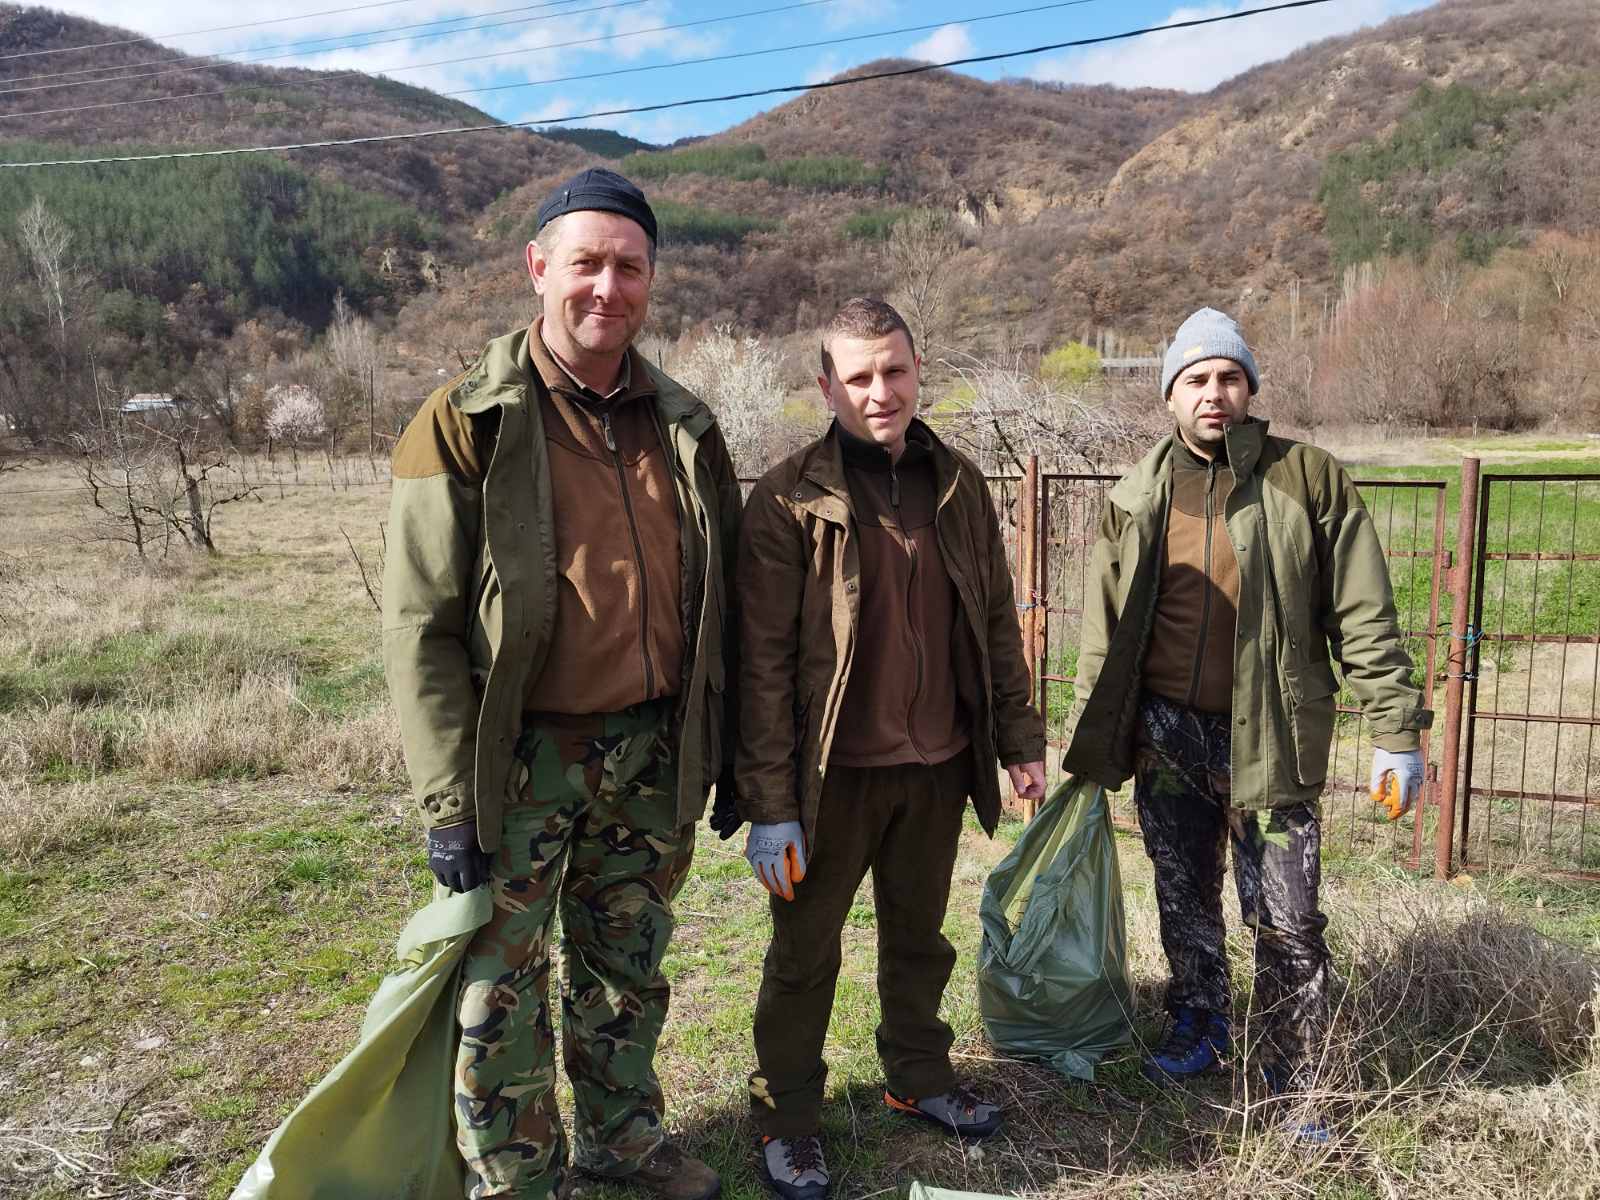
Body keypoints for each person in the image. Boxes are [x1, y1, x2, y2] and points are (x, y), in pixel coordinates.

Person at [382, 167, 741, 1200]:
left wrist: (724, 748)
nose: (606, 288)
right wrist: (449, 803)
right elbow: (420, 628)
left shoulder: (685, 424)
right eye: (585, 263)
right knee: (500, 986)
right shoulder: (464, 420)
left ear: (650, 282)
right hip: (521, 758)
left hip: (650, 748)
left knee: (625, 970)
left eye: (629, 267)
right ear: (537, 269)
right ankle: (518, 1180)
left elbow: (725, 604)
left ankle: (622, 1151)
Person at [1063, 307, 1431, 1134]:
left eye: (1229, 377)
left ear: (1251, 388)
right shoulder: (1137, 493)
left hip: (1271, 734)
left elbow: (1365, 614)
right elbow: (1104, 633)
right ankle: (1198, 1023)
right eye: (1195, 379)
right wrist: (1090, 742)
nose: (1214, 393)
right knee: (1183, 892)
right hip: (1167, 735)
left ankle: (1297, 1069)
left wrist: (1395, 731)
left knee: (1288, 914)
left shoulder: (1308, 479)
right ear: (1169, 397)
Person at [735, 298, 1047, 1200]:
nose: (881, 392)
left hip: (937, 765)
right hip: (830, 782)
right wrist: (769, 806)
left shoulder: (959, 483)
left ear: (919, 370)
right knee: (805, 954)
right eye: (860, 376)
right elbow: (763, 666)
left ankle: (917, 1078)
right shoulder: (789, 497)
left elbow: (993, 618)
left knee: (919, 940)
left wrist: (1018, 739)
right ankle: (788, 1119)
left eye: (895, 371)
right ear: (826, 384)